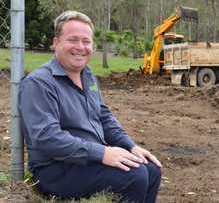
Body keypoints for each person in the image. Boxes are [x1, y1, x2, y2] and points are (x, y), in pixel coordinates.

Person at [19, 11, 162, 202]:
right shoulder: (39, 83)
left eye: (86, 41)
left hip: (87, 160)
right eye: (73, 40)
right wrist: (102, 153)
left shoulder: (88, 75)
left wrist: (131, 146)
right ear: (56, 42)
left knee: (152, 169)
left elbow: (103, 116)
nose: (80, 47)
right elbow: (46, 138)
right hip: (54, 169)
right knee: (134, 176)